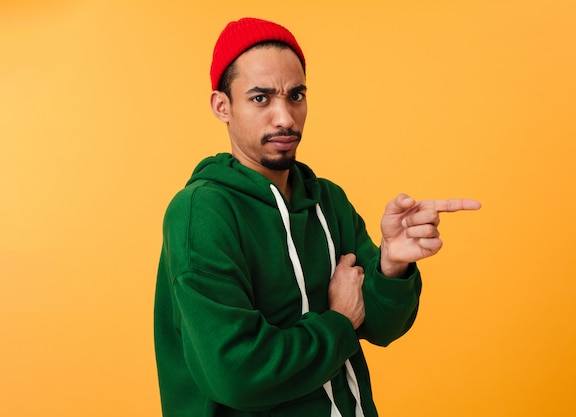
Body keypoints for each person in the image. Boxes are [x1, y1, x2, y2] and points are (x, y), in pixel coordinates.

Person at [154, 17, 480, 417]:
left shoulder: (326, 199)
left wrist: (392, 264)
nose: (286, 118)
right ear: (222, 106)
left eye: (296, 95)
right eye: (261, 98)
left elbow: (381, 326)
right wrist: (340, 321)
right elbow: (237, 373)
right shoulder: (202, 213)